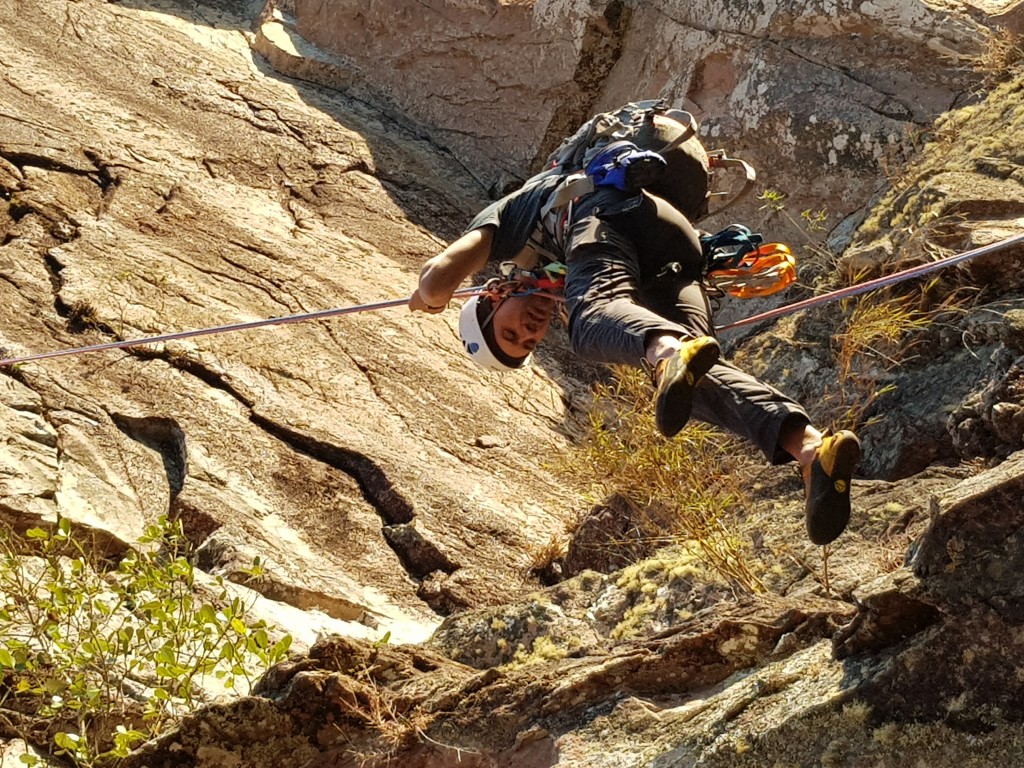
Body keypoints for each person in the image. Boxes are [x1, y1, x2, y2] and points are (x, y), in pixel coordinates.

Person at [409, 112, 861, 546]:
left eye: (510, 333)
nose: (530, 331)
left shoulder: (514, 217)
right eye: (529, 343)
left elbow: (436, 279)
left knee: (592, 322)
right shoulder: (558, 277)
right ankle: (810, 451)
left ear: (492, 297)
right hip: (675, 249)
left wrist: (430, 298)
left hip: (607, 211)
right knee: (690, 381)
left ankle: (668, 353)